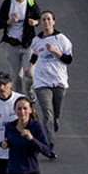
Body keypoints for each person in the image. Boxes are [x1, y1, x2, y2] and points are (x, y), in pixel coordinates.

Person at [1, 98, 53, 174]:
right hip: (14, 171)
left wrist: (32, 139)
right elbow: (8, 141)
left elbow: (47, 150)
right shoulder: (10, 126)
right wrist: (5, 144)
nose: (22, 111)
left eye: (25, 108)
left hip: (32, 172)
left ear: (30, 110)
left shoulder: (36, 127)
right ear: (14, 110)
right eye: (19, 108)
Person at [30, 11, 72, 143]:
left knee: (56, 111)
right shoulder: (36, 41)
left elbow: (68, 59)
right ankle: (49, 143)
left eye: (49, 19)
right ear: (41, 23)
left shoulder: (62, 39)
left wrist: (56, 52)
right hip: (42, 81)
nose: (46, 22)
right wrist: (29, 66)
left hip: (59, 80)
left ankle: (56, 119)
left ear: (54, 21)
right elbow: (36, 54)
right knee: (47, 113)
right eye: (43, 20)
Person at [0, 0, 41, 100]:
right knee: (16, 76)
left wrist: (35, 22)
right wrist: (9, 22)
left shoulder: (31, 2)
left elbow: (39, 18)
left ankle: (30, 90)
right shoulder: (8, 2)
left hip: (27, 44)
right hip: (12, 44)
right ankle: (19, 99)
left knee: (29, 73)